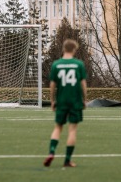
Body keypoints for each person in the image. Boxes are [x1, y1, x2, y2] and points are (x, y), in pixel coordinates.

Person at [43, 39, 87, 168]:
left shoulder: (56, 64)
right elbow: (83, 84)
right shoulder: (78, 64)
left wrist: (52, 100)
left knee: (58, 127)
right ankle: (67, 160)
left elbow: (52, 85)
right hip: (75, 100)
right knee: (72, 130)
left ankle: (51, 152)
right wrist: (84, 99)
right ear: (74, 49)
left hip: (61, 100)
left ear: (63, 49)